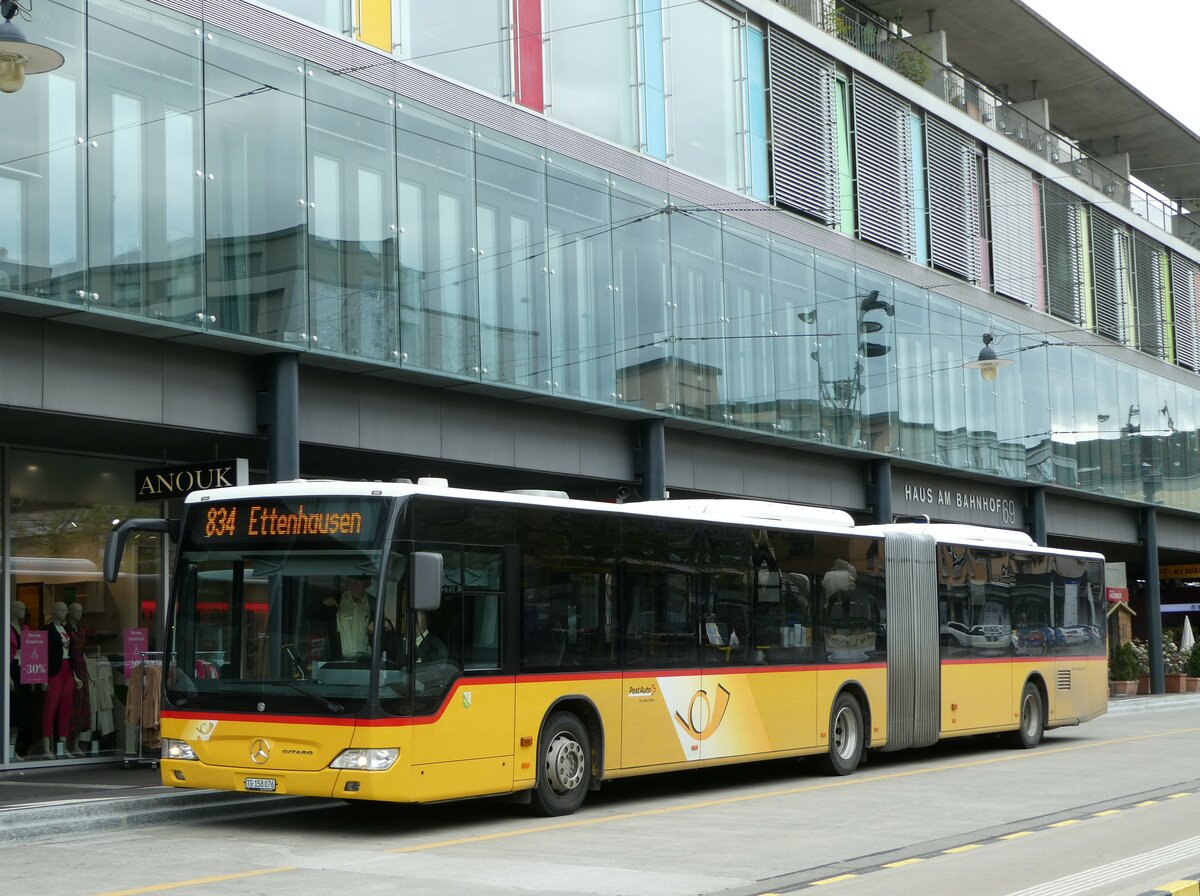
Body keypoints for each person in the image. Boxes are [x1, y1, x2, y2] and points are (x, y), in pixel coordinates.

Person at [41, 601, 81, 758]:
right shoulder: (47, 631)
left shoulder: (66, 629)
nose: (65, 613)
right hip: (54, 672)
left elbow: (70, 654)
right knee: (50, 708)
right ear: (55, 611)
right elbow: (42, 655)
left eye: (66, 610)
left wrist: (75, 675)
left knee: (66, 708)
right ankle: (46, 747)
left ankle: (62, 747)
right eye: (62, 610)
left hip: (67, 670)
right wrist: (43, 677)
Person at [317, 576, 374, 660]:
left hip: (367, 661)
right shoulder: (336, 599)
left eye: (359, 580)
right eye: (351, 579)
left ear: (368, 583)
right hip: (339, 661)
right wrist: (322, 603)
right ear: (347, 583)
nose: (354, 584)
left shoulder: (374, 603)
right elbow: (309, 614)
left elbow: (380, 636)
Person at [66, 602, 92, 756]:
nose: (79, 613)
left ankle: (75, 744)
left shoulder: (81, 630)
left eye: (81, 611)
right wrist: (73, 674)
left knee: (81, 708)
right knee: (72, 707)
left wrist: (87, 672)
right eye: (76, 611)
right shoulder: (66, 630)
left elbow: (82, 652)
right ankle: (66, 745)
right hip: (70, 668)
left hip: (81, 668)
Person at [8, 601, 28, 761]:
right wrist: (6, 675)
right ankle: (7, 750)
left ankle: (12, 749)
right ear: (13, 610)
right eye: (20, 608)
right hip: (12, 670)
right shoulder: (6, 628)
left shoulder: (25, 629)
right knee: (12, 711)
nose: (23, 611)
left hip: (25, 671)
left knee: (21, 713)